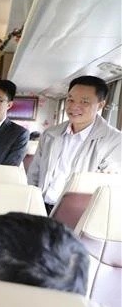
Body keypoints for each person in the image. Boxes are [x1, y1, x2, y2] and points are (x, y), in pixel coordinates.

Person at [27, 75, 121, 213]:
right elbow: (34, 173)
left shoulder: (114, 141)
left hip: (80, 213)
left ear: (101, 105)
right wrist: (32, 205)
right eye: (70, 99)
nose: (74, 106)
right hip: (41, 206)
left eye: (84, 102)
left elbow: (108, 186)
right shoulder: (50, 134)